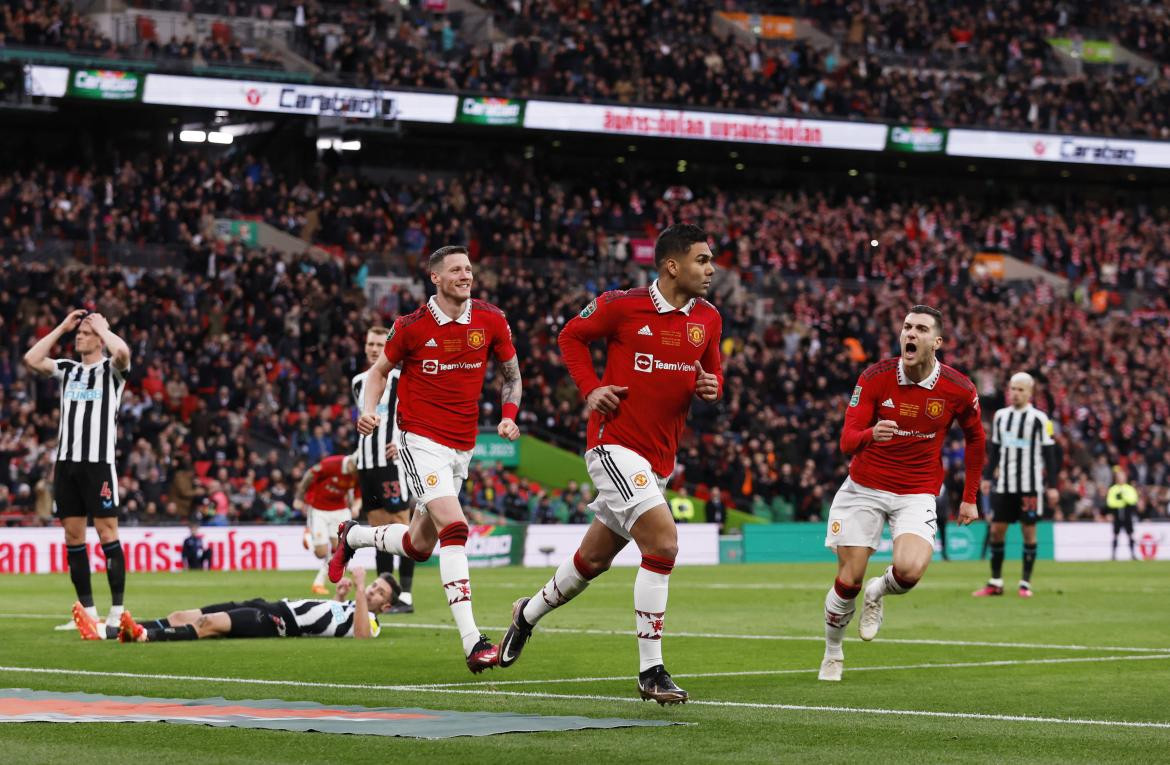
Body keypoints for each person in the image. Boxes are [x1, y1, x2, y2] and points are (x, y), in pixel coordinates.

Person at [497, 223, 722, 705]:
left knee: (592, 561)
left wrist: (711, 387)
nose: (711, 268)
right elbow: (571, 337)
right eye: (702, 260)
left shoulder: (709, 317)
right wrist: (590, 388)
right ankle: (651, 670)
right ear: (671, 266)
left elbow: (712, 371)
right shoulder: (621, 305)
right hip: (613, 445)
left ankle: (526, 614)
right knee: (663, 541)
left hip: (660, 458)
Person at [329, 245, 522, 673]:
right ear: (435, 277)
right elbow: (378, 373)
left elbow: (511, 375)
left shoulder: (491, 319)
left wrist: (509, 415)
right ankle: (473, 642)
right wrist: (369, 410)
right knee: (455, 527)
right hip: (419, 440)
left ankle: (353, 536)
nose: (465, 275)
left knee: (419, 545)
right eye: (455, 270)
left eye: (469, 268)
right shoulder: (411, 326)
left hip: (462, 446)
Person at [819, 305, 985, 682]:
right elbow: (847, 441)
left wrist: (969, 495)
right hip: (864, 487)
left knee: (909, 572)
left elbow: (976, 437)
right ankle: (833, 652)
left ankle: (879, 592)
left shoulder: (958, 389)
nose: (911, 334)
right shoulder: (875, 376)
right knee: (849, 580)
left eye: (921, 329)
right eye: (907, 327)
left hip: (917, 491)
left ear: (936, 342)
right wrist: (869, 435)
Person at [23, 309, 132, 633]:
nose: (78, 337)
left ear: (99, 338)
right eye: (79, 333)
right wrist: (63, 326)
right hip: (67, 464)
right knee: (73, 537)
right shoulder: (68, 370)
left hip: (98, 464)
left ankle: (117, 610)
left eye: (84, 333)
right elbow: (32, 358)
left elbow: (123, 352)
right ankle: (87, 612)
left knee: (107, 534)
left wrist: (103, 327)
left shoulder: (112, 370)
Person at [72, 567, 391, 642]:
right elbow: (334, 618)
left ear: (386, 607)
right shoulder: (352, 606)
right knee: (181, 614)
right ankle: (105, 630)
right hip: (271, 604)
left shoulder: (372, 621)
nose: (373, 591)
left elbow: (361, 635)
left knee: (207, 625)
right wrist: (340, 597)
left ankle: (141, 635)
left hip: (279, 623)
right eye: (374, 585)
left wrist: (361, 588)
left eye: (379, 593)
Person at [973, 372, 1057, 598]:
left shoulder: (1040, 419)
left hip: (1029, 486)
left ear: (1029, 393)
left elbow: (1050, 454)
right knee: (996, 531)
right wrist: (989, 478)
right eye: (1013, 389)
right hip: (1005, 485)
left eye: (1020, 389)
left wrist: (1053, 486)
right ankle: (995, 582)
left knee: (1029, 532)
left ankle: (1025, 583)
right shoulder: (1001, 416)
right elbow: (996, 450)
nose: (1015, 393)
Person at [351, 325, 415, 613]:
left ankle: (407, 597)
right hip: (367, 465)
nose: (374, 349)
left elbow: (413, 417)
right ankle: (384, 595)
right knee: (379, 533)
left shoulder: (402, 378)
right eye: (370, 344)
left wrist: (404, 445)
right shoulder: (358, 382)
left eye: (379, 343)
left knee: (402, 528)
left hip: (392, 464)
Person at [295, 452, 359, 594]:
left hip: (340, 510)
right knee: (321, 553)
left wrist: (355, 507)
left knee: (340, 551)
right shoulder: (331, 464)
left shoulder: (359, 472)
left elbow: (358, 494)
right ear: (350, 464)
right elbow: (309, 476)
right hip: (319, 509)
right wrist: (299, 498)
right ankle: (308, 538)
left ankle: (318, 583)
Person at [1106, 468, 1139, 561]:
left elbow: (1133, 500)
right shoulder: (1113, 489)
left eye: (1122, 476)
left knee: (1130, 534)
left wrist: (1123, 497)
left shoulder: (1129, 489)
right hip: (1117, 514)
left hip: (1127, 514)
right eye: (1119, 477)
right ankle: (1113, 555)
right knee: (1115, 534)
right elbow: (1110, 502)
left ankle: (1133, 554)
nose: (1121, 478)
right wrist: (1121, 502)